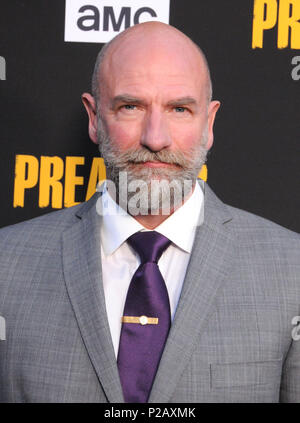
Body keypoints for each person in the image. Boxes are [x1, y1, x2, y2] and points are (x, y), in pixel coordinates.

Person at [0, 21, 299, 403]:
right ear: (94, 118)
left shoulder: (292, 270)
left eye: (179, 108)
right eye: (130, 107)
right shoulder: (7, 265)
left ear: (208, 123)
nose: (155, 138)